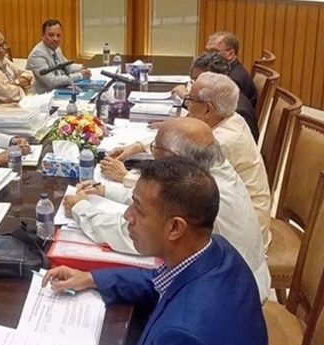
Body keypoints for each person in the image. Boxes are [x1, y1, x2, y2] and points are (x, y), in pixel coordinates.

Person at [45, 157, 267, 345]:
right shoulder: (217, 250)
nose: (127, 215)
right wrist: (90, 278)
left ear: (175, 227)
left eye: (139, 209)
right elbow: (159, 279)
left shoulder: (183, 339)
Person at [65, 117, 270, 303]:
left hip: (230, 297)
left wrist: (81, 209)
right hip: (238, 279)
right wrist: (105, 190)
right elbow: (159, 201)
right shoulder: (212, 171)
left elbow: (132, 234)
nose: (151, 155)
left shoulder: (203, 192)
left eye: (155, 149)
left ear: (175, 158)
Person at [107, 73, 272, 249]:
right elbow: (182, 137)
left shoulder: (223, 141)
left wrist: (125, 177)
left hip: (236, 238)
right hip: (230, 222)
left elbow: (173, 187)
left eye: (190, 99)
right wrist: (137, 146)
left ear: (208, 109)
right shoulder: (229, 117)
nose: (186, 105)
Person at [173, 51, 259, 141]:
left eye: (200, 79)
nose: (194, 85)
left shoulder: (238, 110)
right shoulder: (224, 98)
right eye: (194, 79)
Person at [26, 19, 90, 94]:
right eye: (51, 35)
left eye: (58, 35)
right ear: (42, 35)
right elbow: (52, 81)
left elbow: (67, 66)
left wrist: (82, 68)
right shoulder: (37, 55)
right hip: (43, 96)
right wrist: (80, 75)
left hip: (59, 91)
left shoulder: (56, 48)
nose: (55, 39)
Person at [0, 28, 34, 104]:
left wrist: (17, 82)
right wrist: (20, 84)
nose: (2, 50)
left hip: (21, 104)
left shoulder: (3, 60)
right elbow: (10, 95)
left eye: (3, 45)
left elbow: (29, 74)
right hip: (4, 109)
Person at [205, 31, 258, 108]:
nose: (207, 56)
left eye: (214, 51)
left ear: (230, 54)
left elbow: (220, 107)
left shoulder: (234, 79)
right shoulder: (229, 70)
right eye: (207, 51)